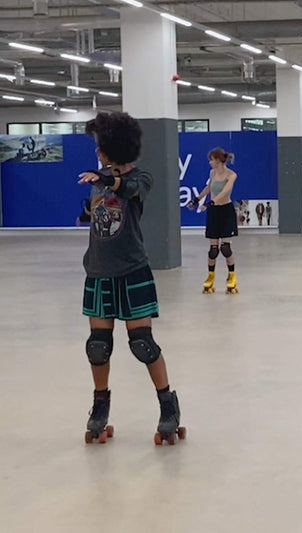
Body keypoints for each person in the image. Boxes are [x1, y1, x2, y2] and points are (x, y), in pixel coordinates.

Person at [78, 111, 185, 445]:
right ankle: (100, 406)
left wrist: (105, 180)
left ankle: (168, 406)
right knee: (98, 346)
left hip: (132, 271)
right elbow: (93, 211)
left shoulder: (141, 179)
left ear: (115, 148)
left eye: (101, 146)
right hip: (99, 271)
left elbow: (126, 189)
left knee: (143, 344)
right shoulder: (98, 178)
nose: (97, 152)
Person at [187, 147, 239, 294]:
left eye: (211, 159)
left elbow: (225, 191)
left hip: (225, 211)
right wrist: (196, 200)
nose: (210, 162)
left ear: (217, 160)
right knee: (213, 250)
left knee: (225, 248)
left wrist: (211, 203)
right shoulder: (212, 173)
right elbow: (209, 188)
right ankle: (210, 277)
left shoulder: (231, 175)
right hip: (214, 213)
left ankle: (232, 276)